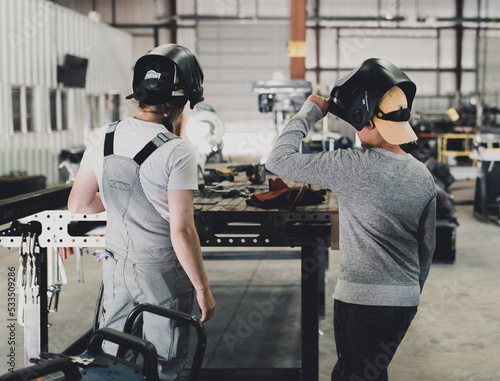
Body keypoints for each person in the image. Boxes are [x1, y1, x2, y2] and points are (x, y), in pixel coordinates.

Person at [265, 58, 436, 381]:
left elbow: (278, 159)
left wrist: (310, 113)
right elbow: (426, 249)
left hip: (362, 300)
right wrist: (407, 293)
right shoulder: (423, 176)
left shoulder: (350, 165)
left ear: (366, 121)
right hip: (404, 301)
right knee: (370, 371)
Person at [67, 43, 216, 381]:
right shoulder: (177, 151)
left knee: (112, 357)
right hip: (160, 271)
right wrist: (203, 289)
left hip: (116, 266)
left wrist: (120, 197)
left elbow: (79, 203)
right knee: (163, 363)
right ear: (180, 102)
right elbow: (182, 231)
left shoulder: (102, 137)